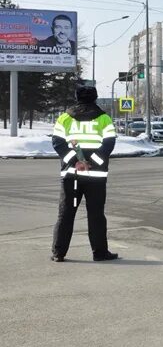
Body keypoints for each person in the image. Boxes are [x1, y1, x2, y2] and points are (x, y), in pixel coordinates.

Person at [50, 84, 119, 262]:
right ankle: (99, 252)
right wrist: (91, 163)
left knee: (66, 213)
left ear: (76, 97)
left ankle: (59, 253)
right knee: (96, 214)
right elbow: (108, 145)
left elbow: (58, 143)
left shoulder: (64, 118)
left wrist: (76, 162)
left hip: (72, 177)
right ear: (95, 98)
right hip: (95, 178)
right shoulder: (104, 119)